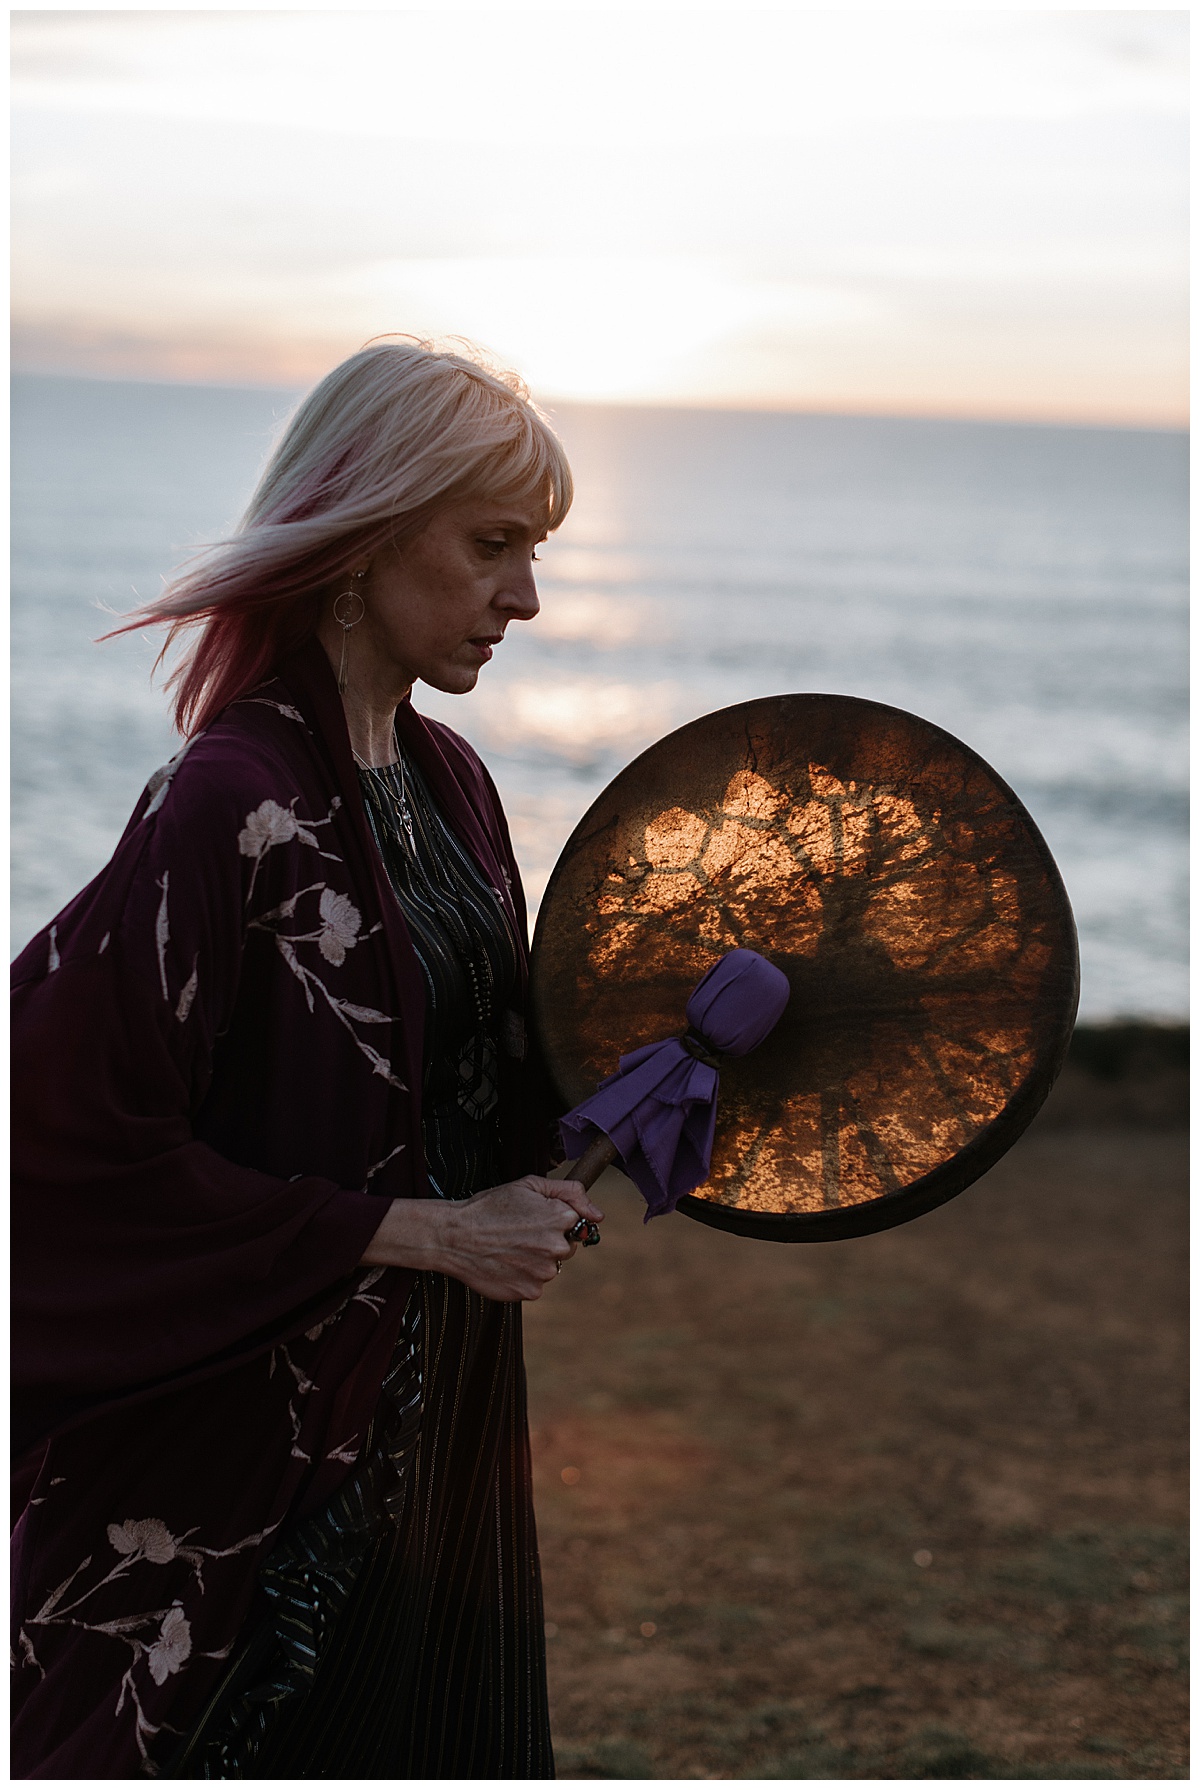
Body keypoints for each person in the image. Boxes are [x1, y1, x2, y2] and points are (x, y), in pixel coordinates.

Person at [11, 339, 604, 1779]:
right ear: (367, 528)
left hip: (448, 1421)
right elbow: (55, 1139)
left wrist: (658, 1046)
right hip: (266, 1463)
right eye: (492, 545)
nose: (524, 596)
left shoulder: (452, 782)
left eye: (532, 552)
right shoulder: (232, 800)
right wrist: (425, 1232)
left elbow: (476, 1086)